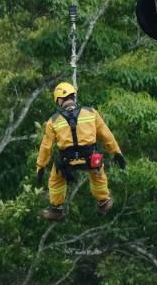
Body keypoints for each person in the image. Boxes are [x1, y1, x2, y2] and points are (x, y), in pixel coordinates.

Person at [35, 82, 126, 221]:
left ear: (59, 100)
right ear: (74, 96)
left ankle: (56, 209)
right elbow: (106, 135)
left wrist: (40, 167)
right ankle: (104, 200)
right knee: (98, 173)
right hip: (90, 158)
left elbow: (46, 147)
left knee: (56, 178)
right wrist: (117, 152)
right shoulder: (91, 113)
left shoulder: (53, 121)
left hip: (67, 162)